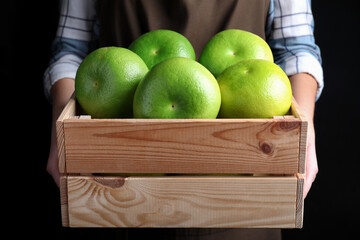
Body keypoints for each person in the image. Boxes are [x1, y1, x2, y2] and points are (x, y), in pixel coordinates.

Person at [44, 0, 323, 239]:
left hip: (243, 196)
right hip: (119, 192)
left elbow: (295, 49)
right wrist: (63, 130)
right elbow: (71, 49)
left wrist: (302, 134)